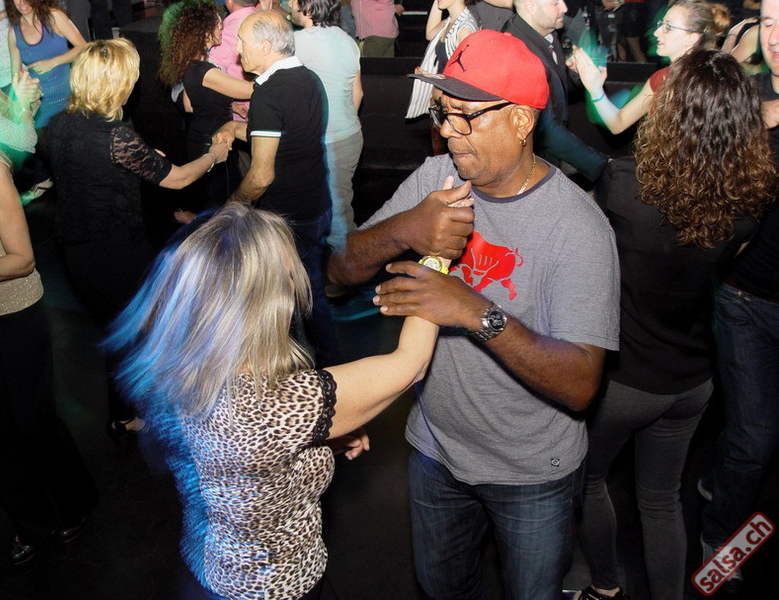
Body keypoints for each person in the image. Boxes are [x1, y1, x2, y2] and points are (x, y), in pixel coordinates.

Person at [329, 30, 620, 599]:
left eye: (466, 116)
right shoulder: (436, 179)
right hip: (435, 450)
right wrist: (405, 228)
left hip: (532, 471)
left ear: (521, 120)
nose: (447, 131)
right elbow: (338, 270)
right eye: (443, 112)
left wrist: (472, 311)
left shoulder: (577, 228)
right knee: (441, 587)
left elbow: (581, 385)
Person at [104, 203, 443, 600]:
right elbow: (411, 364)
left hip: (204, 569)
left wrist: (316, 438)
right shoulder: (281, 404)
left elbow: (231, 463)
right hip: (272, 586)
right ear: (268, 299)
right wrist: (436, 264)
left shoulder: (168, 369)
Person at [573, 50, 775, 600]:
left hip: (621, 381)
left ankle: (605, 587)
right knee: (661, 501)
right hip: (692, 381)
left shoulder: (622, 184)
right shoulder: (748, 204)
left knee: (588, 481)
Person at [46, 39, 230, 441]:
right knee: (153, 327)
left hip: (76, 250)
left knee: (116, 332)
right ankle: (177, 410)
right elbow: (178, 179)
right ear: (119, 84)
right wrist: (213, 157)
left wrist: (144, 157)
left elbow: (90, 170)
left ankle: (123, 415)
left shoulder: (60, 124)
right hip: (116, 252)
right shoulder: (117, 136)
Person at [0, 134, 98, 565]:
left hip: (13, 310)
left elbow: (23, 259)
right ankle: (30, 521)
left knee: (31, 419)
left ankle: (74, 501)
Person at [700, 0, 779, 591]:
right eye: (770, 22)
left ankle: (720, 479)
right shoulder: (746, 100)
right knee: (755, 439)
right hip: (745, 297)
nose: (776, 36)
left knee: (754, 434)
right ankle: (719, 546)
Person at [215, 10, 340, 367]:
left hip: (288, 217)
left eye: (243, 42)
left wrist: (233, 205)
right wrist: (234, 128)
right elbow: (286, 138)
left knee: (284, 301)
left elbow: (260, 176)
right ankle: (331, 364)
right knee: (309, 290)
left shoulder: (269, 93)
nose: (238, 50)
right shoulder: (308, 78)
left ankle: (300, 372)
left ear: (266, 46)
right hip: (316, 204)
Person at [572, 0, 729, 134]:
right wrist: (595, 88)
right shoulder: (662, 79)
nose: (657, 33)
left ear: (691, 37)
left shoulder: (714, 81)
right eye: (661, 24)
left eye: (668, 27)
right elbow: (618, 123)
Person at [158, 0, 253, 215]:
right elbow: (250, 90)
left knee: (215, 201)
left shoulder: (194, 64)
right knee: (222, 207)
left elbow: (189, 105)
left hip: (202, 136)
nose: (221, 26)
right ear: (203, 32)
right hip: (212, 140)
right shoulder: (205, 71)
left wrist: (230, 105)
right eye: (217, 23)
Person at [500, 0, 608, 182]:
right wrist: (602, 166)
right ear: (530, 6)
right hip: (531, 166)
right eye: (555, 3)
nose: (564, 8)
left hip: (548, 157)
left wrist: (577, 75)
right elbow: (547, 131)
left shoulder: (545, 33)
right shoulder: (518, 51)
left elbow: (554, 90)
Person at [290, 0, 363, 251]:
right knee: (335, 209)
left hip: (328, 142)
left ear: (308, 7)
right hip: (349, 136)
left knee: (337, 219)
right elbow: (358, 94)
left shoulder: (297, 42)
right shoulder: (348, 40)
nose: (290, 4)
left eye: (294, 0)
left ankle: (350, 269)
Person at [5, 0, 86, 201]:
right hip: (41, 106)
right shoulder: (14, 32)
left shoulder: (54, 17)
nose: (22, 3)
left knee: (78, 158)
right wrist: (20, 101)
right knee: (54, 162)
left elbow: (83, 47)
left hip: (69, 100)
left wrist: (53, 62)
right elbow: (15, 75)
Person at [405, 0, 479, 127]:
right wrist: (431, 77)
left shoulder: (464, 28)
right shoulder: (450, 21)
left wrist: (433, 78)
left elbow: (466, 78)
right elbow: (430, 34)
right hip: (443, 106)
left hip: (453, 109)